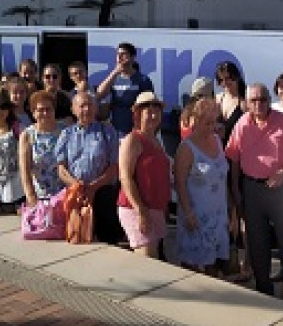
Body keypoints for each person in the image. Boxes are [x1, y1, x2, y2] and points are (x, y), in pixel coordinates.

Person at [225, 82, 283, 304]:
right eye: (253, 100)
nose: (258, 104)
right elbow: (234, 159)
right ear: (247, 103)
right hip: (252, 188)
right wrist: (235, 191)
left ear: (269, 100)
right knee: (257, 242)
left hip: (281, 188)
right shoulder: (242, 124)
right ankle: (263, 290)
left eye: (262, 99)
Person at [55, 92, 121, 243]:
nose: (86, 109)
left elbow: (113, 167)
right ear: (73, 109)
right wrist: (76, 185)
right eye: (82, 105)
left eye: (90, 105)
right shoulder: (66, 134)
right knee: (78, 238)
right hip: (75, 194)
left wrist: (93, 187)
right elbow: (61, 168)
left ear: (96, 108)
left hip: (103, 193)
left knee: (107, 241)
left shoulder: (107, 131)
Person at [174, 98, 231, 274]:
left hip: (218, 215)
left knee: (214, 268)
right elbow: (180, 183)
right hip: (197, 218)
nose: (212, 127)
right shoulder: (186, 148)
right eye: (207, 123)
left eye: (214, 122)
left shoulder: (217, 141)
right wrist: (188, 212)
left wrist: (231, 211)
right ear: (196, 121)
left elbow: (223, 179)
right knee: (194, 269)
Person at [117, 92, 171, 257]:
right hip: (136, 208)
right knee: (147, 257)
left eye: (157, 111)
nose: (154, 116)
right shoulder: (132, 140)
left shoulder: (156, 141)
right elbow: (125, 177)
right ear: (138, 114)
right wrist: (140, 211)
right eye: (149, 112)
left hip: (155, 210)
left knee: (155, 260)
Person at [97, 42, 154, 137]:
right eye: (118, 54)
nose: (119, 57)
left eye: (123, 54)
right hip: (117, 129)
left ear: (132, 57)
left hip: (136, 129)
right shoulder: (113, 78)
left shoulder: (143, 80)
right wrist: (114, 73)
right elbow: (99, 95)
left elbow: (149, 105)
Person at [19, 90, 64, 205]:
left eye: (48, 109)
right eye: (40, 110)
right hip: (39, 197)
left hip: (63, 196)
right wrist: (31, 196)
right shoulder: (27, 135)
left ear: (54, 110)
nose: (44, 113)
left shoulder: (65, 131)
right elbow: (25, 170)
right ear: (33, 113)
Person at [215, 61, 246, 144]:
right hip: (218, 151)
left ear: (236, 77)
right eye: (221, 80)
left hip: (237, 149)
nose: (225, 83)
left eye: (228, 78)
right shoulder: (217, 99)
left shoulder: (245, 102)